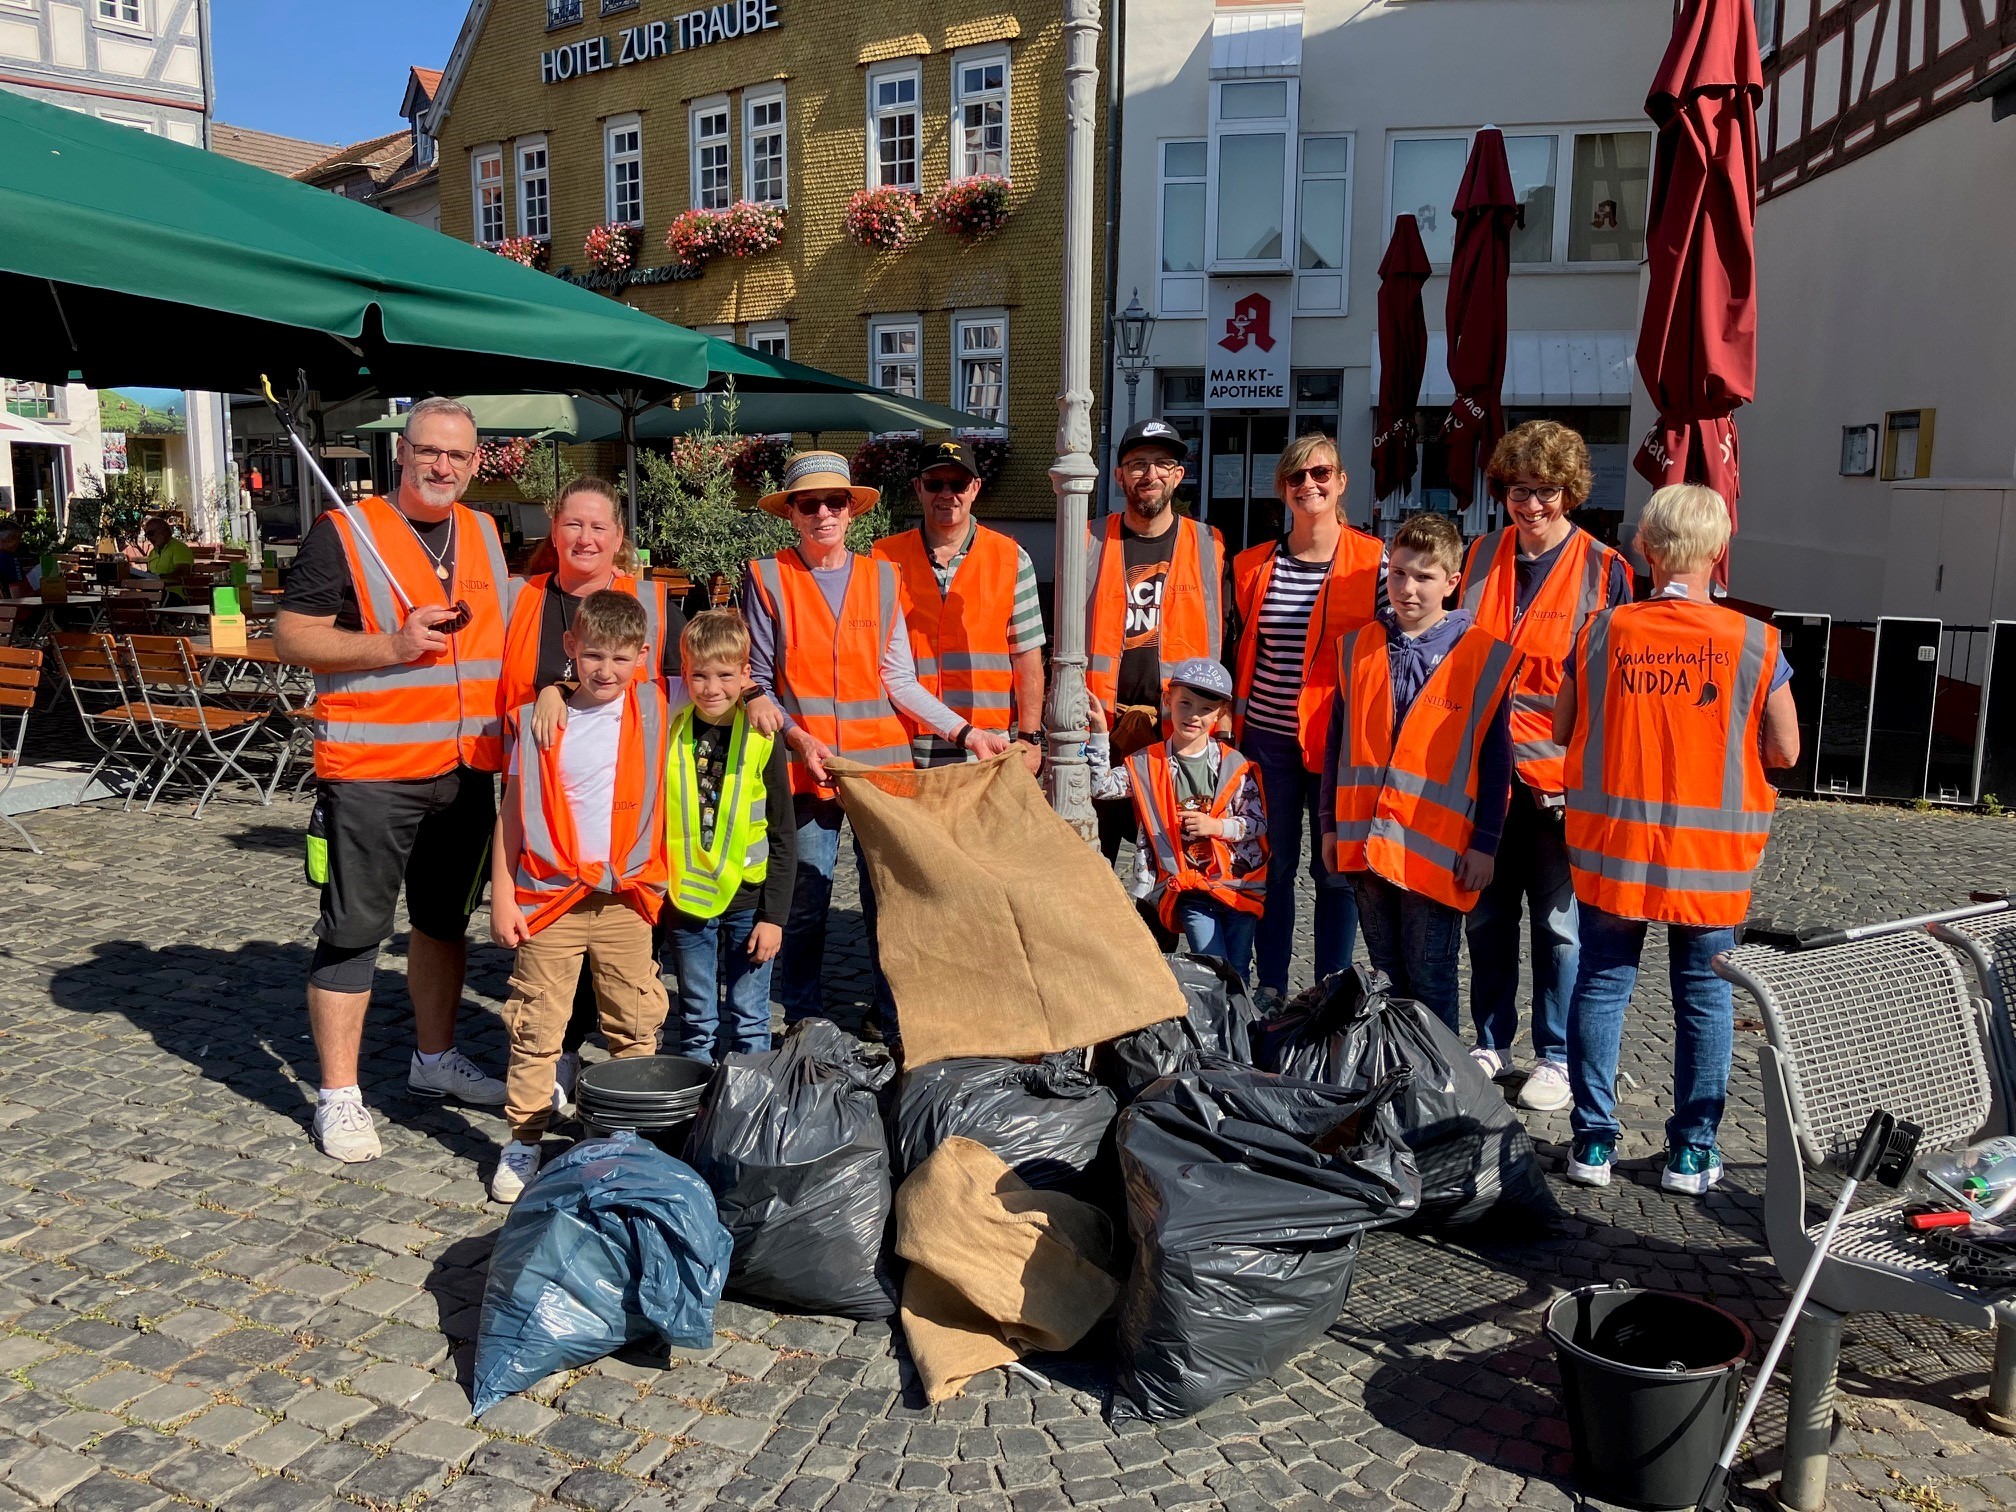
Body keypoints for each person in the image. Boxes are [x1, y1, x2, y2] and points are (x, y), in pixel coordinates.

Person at [274, 396, 509, 1163]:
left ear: (476, 464)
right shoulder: (344, 532)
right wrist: (391, 644)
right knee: (351, 935)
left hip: (466, 767)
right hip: (374, 771)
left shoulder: (481, 531)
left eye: (458, 455)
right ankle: (339, 1097)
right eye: (429, 452)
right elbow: (291, 635)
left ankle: (433, 1060)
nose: (443, 466)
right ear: (401, 453)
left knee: (441, 924)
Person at [1556, 484, 1800, 1194]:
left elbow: (1563, 728)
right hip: (1713, 860)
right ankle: (1691, 1153)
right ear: (1719, 551)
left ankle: (1592, 1145)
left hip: (1616, 848)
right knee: (1704, 996)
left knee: (1602, 982)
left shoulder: (1603, 631)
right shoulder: (1755, 641)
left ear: (1645, 548)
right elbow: (1784, 748)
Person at [741, 451, 1006, 1039]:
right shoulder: (766, 577)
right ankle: (805, 1019)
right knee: (805, 900)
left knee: (890, 899)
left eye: (835, 502)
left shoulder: (883, 578)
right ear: (791, 514)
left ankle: (893, 1016)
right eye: (809, 504)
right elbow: (756, 681)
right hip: (806, 773)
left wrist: (966, 732)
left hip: (879, 771)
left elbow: (899, 680)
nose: (823, 513)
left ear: (851, 511)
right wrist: (796, 737)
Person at [501, 475, 692, 1114]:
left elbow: (698, 681)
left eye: (598, 526)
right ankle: (543, 1091)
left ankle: (620, 1111)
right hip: (538, 803)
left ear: (619, 537)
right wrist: (552, 690)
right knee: (546, 992)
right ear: (553, 530)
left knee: (629, 996)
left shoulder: (654, 607)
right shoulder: (519, 597)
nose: (585, 537)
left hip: (625, 858)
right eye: (573, 524)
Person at [1459, 421, 1634, 1113]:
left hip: (1559, 781)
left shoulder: (1605, 568)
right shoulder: (1474, 557)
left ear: (1571, 493)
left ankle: (1555, 1054)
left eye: (1548, 491)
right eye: (1519, 490)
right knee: (1485, 915)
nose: (1532, 505)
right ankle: (1490, 1039)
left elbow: (1612, 684)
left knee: (1560, 927)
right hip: (1479, 775)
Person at [487, 590, 670, 1202]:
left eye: (621, 659)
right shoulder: (539, 719)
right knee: (537, 1024)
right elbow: (511, 814)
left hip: (625, 899)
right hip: (550, 898)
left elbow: (722, 673)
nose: (606, 670)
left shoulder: (656, 707)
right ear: (570, 649)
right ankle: (525, 1138)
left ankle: (632, 1136)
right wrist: (504, 895)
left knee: (634, 1021)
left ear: (642, 656)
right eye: (593, 655)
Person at [1320, 515, 1518, 1031]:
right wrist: (1327, 825)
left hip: (1437, 851)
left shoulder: (1479, 655)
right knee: (1387, 975)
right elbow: (1336, 747)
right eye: (1399, 574)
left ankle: (1439, 1086)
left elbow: (1497, 761)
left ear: (1453, 582)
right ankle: (1398, 1081)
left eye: (1424, 577)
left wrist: (1486, 843)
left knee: (1431, 974)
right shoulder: (1357, 647)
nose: (1407, 588)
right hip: (1364, 842)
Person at [1231, 432, 1385, 1009]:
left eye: (1321, 474)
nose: (1310, 485)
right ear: (1283, 491)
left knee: (1336, 870)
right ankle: (1270, 984)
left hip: (1339, 742)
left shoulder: (1374, 563)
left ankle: (1331, 986)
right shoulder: (1252, 567)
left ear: (1341, 482)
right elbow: (1240, 648)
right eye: (1297, 477)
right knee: (1272, 865)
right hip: (1268, 739)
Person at [1086, 418, 1227, 863]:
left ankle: (1155, 935)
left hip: (1177, 730)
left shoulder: (1210, 543)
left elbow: (1229, 638)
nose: (1151, 474)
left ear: (1178, 475)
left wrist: (1220, 726)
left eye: (1163, 464)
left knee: (1169, 862)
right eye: (1138, 464)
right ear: (1119, 475)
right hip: (1101, 726)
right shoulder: (1087, 538)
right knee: (1090, 858)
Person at [661, 610, 795, 1062]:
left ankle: (747, 1113)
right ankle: (698, 1115)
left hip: (749, 903)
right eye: (699, 675)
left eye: (724, 675)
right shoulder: (671, 724)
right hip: (687, 901)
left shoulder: (762, 734)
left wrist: (774, 916)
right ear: (685, 674)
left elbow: (782, 831)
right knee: (697, 1018)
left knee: (750, 1015)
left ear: (744, 675)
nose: (711, 687)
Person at [873, 438, 1046, 772]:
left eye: (959, 483)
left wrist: (1029, 737)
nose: (947, 493)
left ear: (975, 488)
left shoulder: (1011, 558)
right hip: (904, 742)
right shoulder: (882, 559)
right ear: (918, 488)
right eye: (935, 483)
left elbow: (1027, 656)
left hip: (986, 745)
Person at [1087, 657, 1267, 965]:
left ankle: (1238, 1014)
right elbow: (1102, 787)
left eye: (1206, 709)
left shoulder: (1237, 765)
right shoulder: (1146, 762)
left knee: (1236, 970)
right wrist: (1101, 734)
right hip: (1184, 888)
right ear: (1168, 701)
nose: (1194, 715)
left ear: (1220, 715)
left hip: (1235, 885)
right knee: (1212, 964)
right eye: (1186, 703)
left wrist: (1216, 827)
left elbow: (1257, 824)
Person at [125, 516, 196, 603]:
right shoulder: (153, 553)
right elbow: (151, 574)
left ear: (165, 533)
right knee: (127, 599)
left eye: (151, 533)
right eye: (146, 535)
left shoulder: (179, 548)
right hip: (154, 591)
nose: (149, 538)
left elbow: (182, 574)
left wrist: (158, 578)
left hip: (174, 594)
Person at [0, 518, 29, 600]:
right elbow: (17, 595)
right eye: (18, 539)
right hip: (12, 609)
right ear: (9, 539)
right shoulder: (10, 559)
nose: (19, 543)